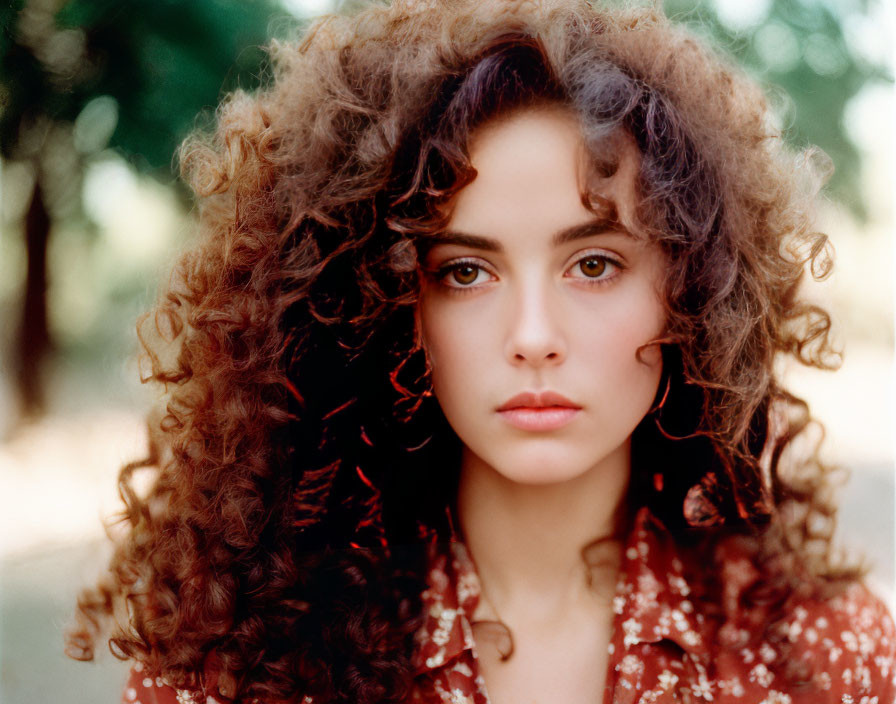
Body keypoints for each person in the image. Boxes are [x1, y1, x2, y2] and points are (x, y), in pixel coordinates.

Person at [64, 1, 896, 702]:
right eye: (465, 271)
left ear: (690, 289)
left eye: (595, 264)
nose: (533, 337)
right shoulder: (242, 670)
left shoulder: (826, 656)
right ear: (391, 304)